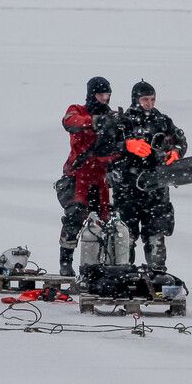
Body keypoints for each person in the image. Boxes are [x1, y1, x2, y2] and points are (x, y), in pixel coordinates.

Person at [105, 79, 187, 269]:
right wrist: (126, 146)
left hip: (156, 189)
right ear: (135, 100)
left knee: (156, 235)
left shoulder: (163, 121)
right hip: (127, 188)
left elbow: (181, 140)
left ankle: (157, 273)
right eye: (144, 100)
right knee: (125, 236)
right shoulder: (122, 122)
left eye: (152, 99)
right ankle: (123, 274)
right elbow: (105, 148)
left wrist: (175, 152)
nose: (149, 104)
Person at [57, 76, 117, 276]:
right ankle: (65, 262)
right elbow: (69, 122)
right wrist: (95, 121)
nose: (104, 99)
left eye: (107, 95)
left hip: (100, 179)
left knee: (105, 222)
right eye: (101, 95)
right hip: (78, 176)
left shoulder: (112, 118)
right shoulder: (77, 111)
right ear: (92, 95)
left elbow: (117, 148)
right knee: (74, 216)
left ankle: (101, 265)